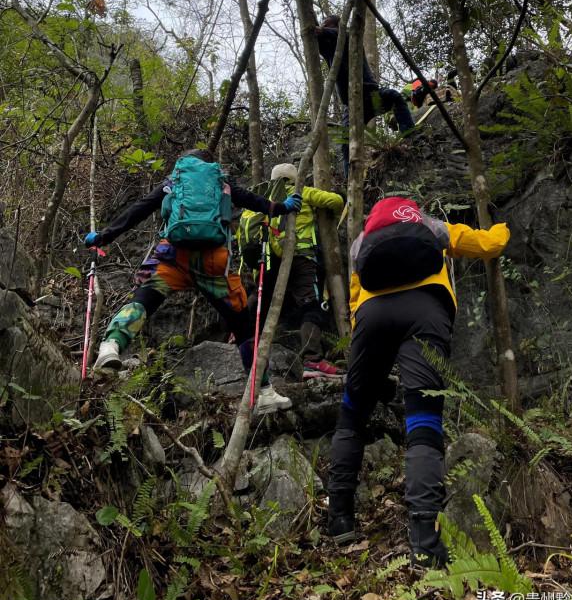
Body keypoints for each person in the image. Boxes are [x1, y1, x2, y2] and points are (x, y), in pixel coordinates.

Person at [326, 196, 510, 566]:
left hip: (373, 316)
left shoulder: (363, 243)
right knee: (423, 421)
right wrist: (501, 228)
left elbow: (355, 295)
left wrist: (364, 333)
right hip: (426, 311)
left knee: (353, 413)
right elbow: (488, 244)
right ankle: (425, 540)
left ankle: (339, 518)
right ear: (410, 213)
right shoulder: (431, 228)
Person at [85, 149, 302, 415]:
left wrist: (104, 236)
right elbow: (251, 200)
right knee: (243, 326)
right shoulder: (219, 181)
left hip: (172, 256)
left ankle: (111, 346)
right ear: (210, 163)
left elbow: (139, 209)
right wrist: (282, 207)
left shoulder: (174, 181)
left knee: (144, 299)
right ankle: (264, 392)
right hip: (212, 263)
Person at [247, 163, 345, 379]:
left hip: (269, 261)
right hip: (300, 257)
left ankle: (239, 339)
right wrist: (334, 217)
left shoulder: (261, 198)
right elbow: (335, 201)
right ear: (294, 178)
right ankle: (313, 360)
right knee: (311, 305)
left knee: (259, 299)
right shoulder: (302, 191)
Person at [315, 16, 414, 175]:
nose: (323, 27)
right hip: (351, 105)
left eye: (326, 25)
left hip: (369, 94)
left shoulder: (349, 38)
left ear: (336, 27)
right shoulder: (328, 49)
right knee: (345, 141)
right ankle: (350, 179)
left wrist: (320, 29)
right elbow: (317, 39)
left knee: (394, 97)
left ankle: (410, 136)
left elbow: (336, 34)